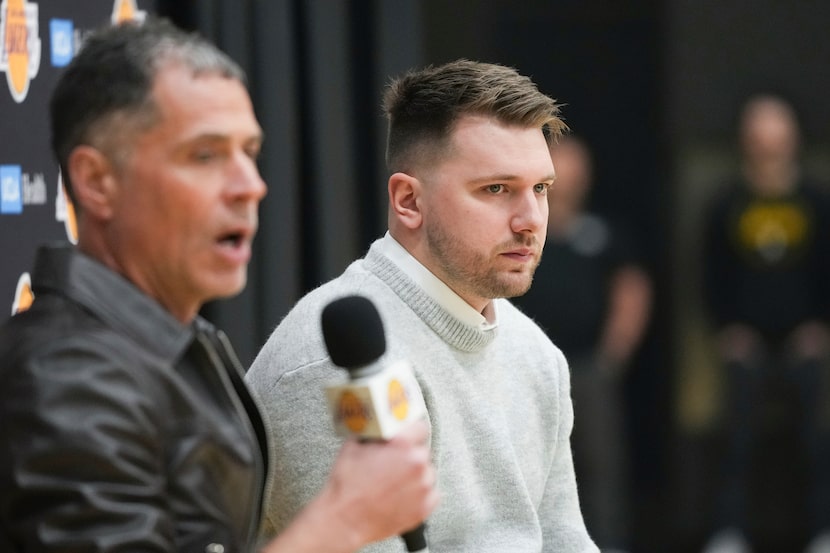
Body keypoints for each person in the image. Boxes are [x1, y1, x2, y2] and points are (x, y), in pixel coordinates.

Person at [0, 18, 437, 553]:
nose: (250, 186)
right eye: (205, 155)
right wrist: (343, 519)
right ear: (97, 182)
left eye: (249, 152)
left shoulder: (169, 340)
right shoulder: (67, 374)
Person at [246, 59, 599, 552]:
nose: (530, 220)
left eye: (540, 188)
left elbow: (565, 541)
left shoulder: (536, 354)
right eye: (496, 189)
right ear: (408, 201)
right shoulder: (329, 364)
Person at [701, 94, 830, 553]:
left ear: (792, 138)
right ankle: (729, 532)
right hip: (745, 341)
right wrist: (726, 330)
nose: (768, 144)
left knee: (814, 438)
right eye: (759, 135)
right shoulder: (726, 204)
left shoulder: (815, 201)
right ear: (745, 141)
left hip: (805, 339)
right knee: (737, 439)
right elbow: (711, 275)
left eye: (776, 134)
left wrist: (821, 326)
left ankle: (821, 531)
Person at [512, 136, 652, 553]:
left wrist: (614, 353)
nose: (569, 179)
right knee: (529, 460)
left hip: (588, 367)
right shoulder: (522, 232)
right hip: (528, 371)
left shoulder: (602, 234)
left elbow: (632, 288)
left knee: (600, 462)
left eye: (577, 168)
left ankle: (608, 543)